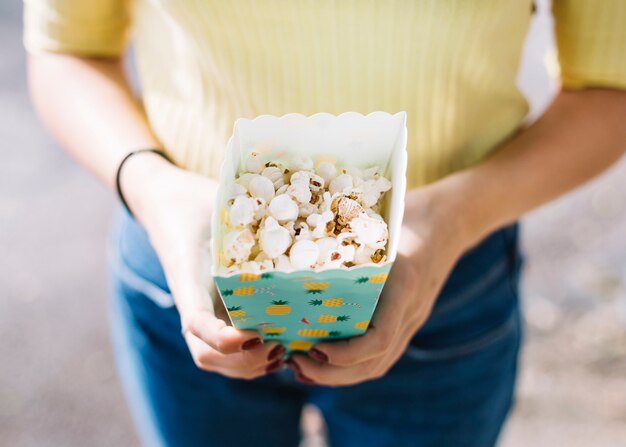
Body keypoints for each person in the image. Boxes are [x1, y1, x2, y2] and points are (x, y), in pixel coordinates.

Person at [23, 1, 626, 446]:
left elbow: (609, 83)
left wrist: (446, 220)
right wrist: (156, 192)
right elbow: (66, 47)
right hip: (183, 268)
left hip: (442, 282)